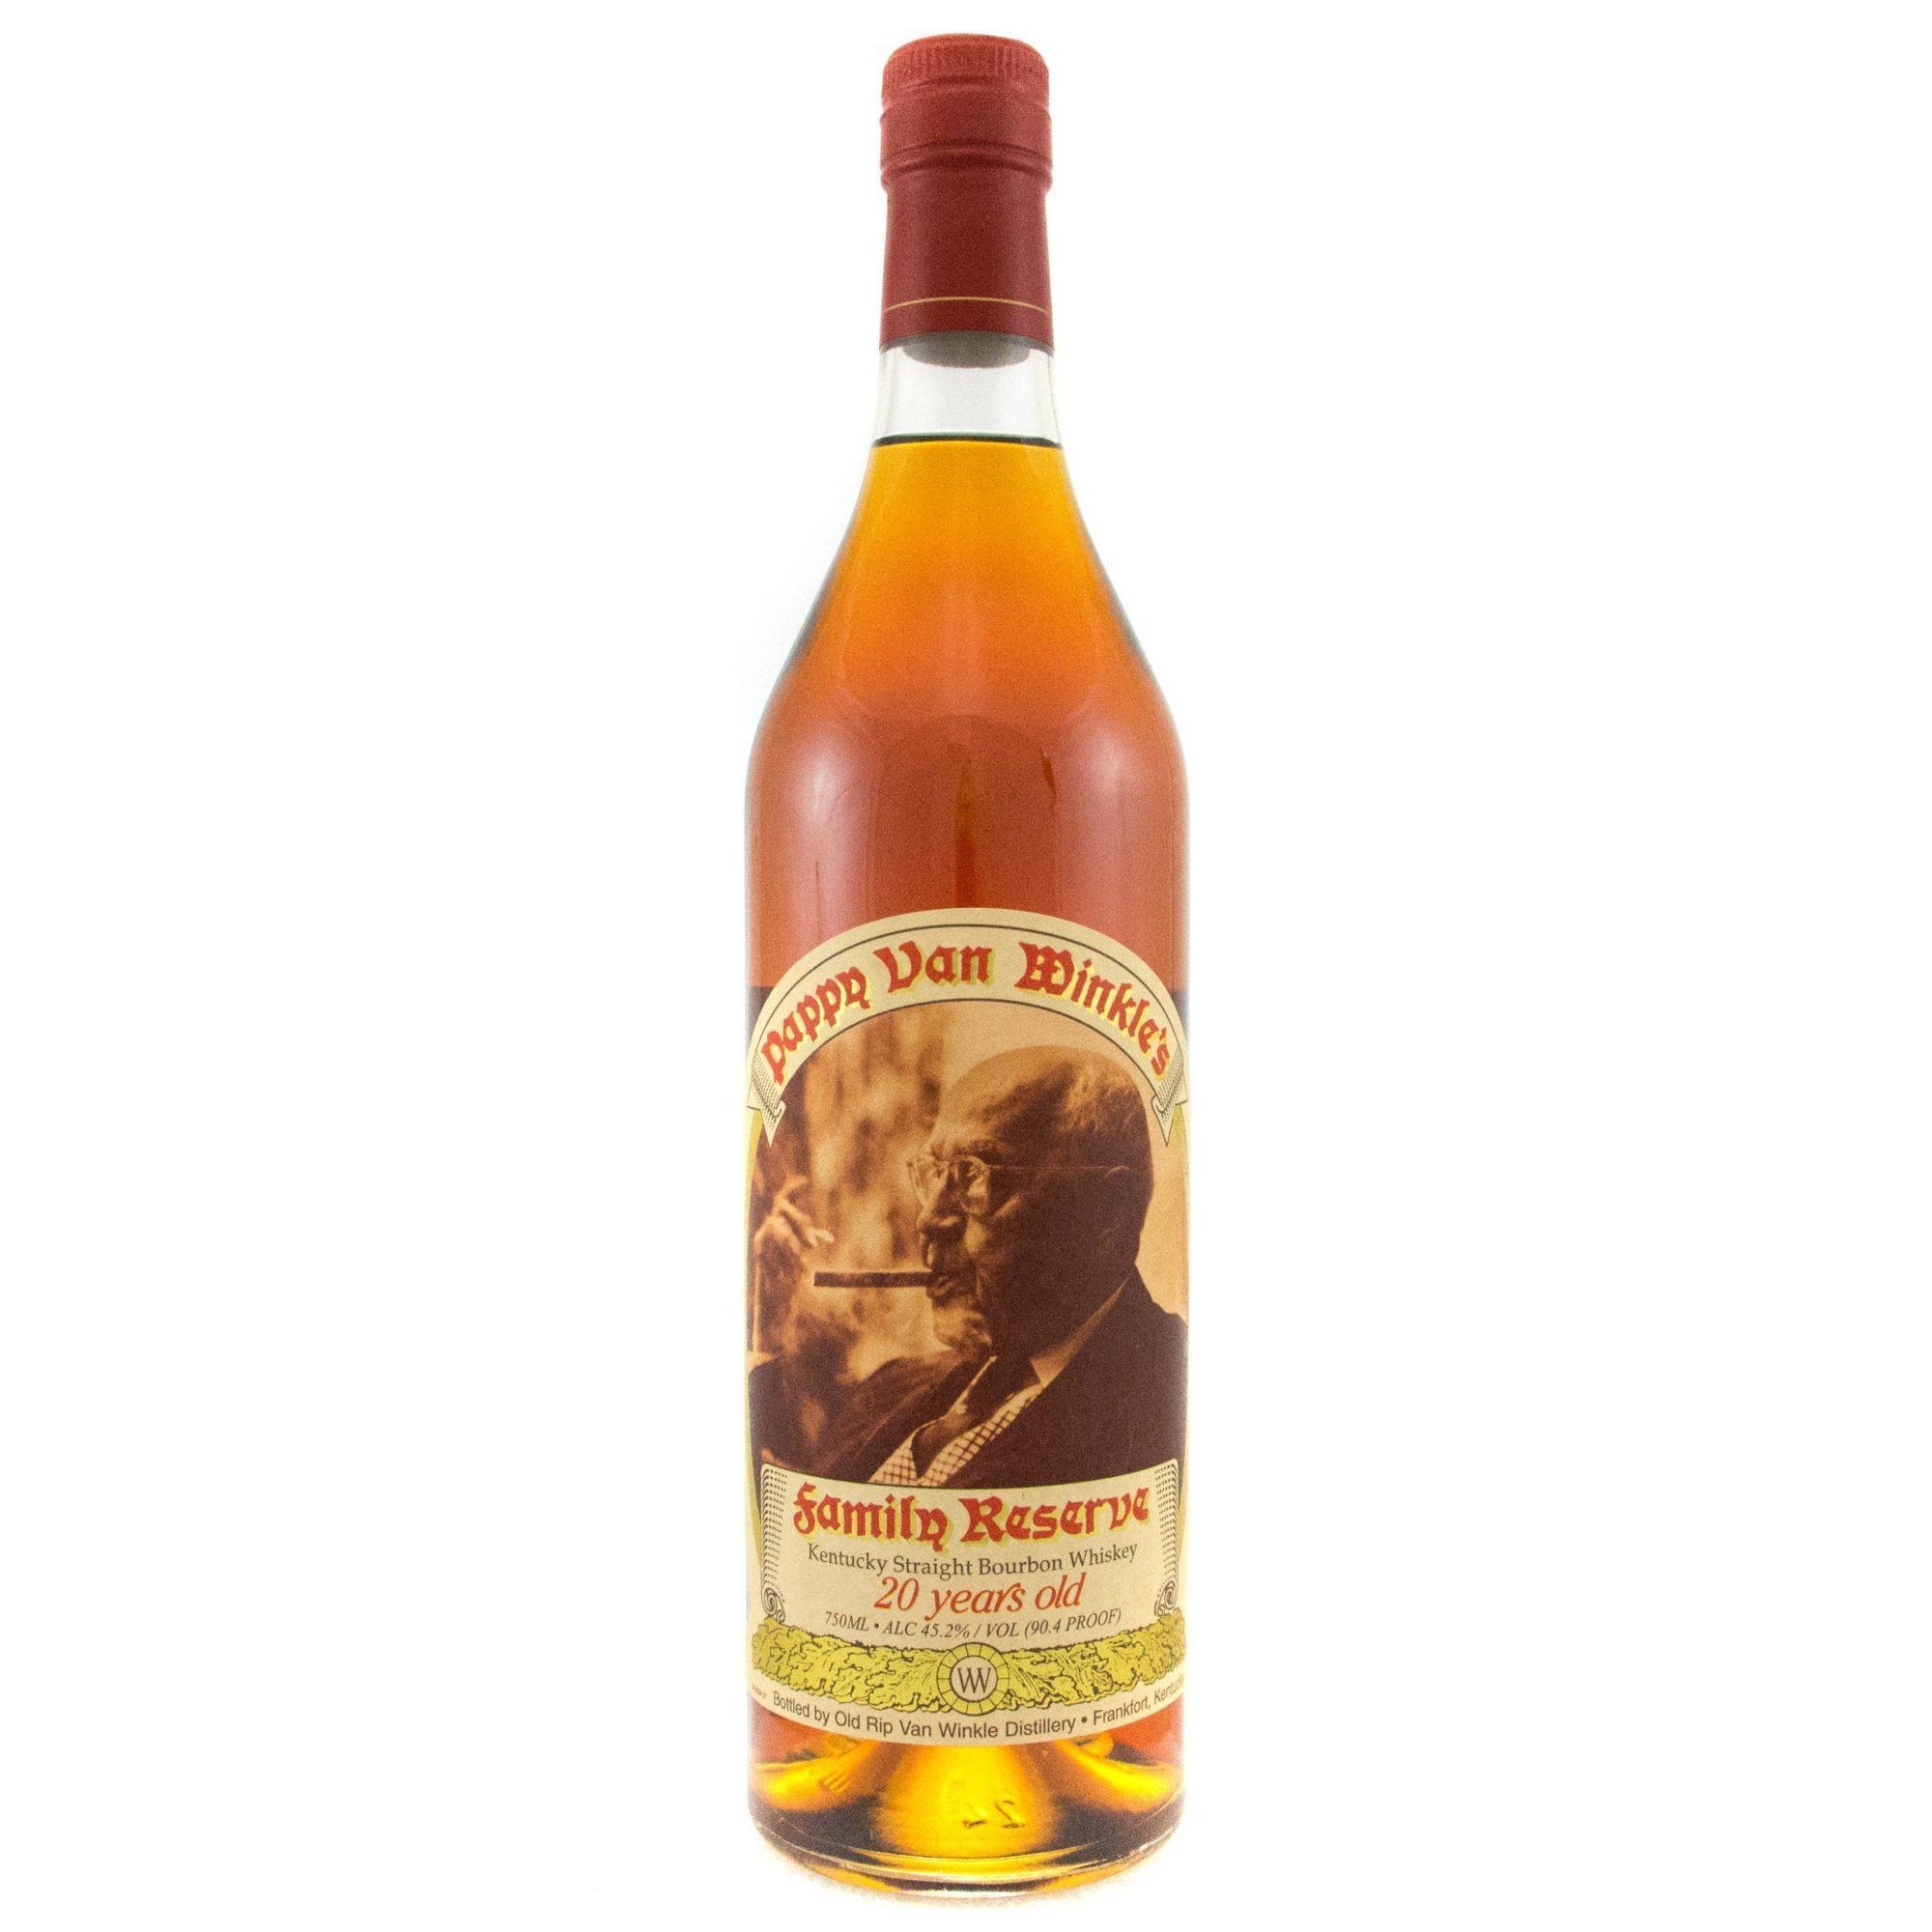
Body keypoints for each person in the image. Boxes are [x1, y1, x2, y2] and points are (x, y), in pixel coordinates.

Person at [815, 1045, 1185, 1488]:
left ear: (1106, 1210)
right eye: (934, 1173)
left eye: (974, 1178)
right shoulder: (891, 1386)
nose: (929, 1219)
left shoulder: (1168, 1408)